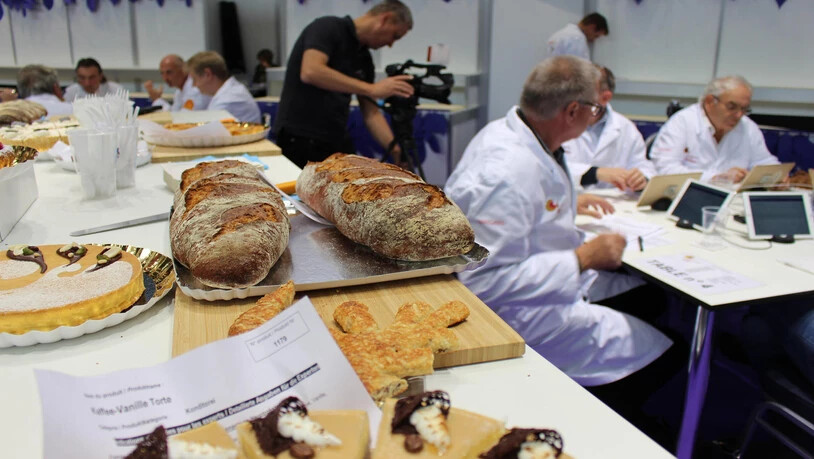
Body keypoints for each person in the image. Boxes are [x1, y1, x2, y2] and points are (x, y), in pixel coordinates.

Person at [445, 55, 672, 388]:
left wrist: (566, 207)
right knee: (666, 352)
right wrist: (582, 259)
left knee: (649, 299)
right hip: (519, 318)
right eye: (595, 109)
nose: (596, 116)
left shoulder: (524, 135)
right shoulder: (506, 171)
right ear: (572, 111)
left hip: (547, 287)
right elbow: (479, 285)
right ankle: (605, 419)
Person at [273, 0, 415, 169]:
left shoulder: (364, 58)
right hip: (299, 137)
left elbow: (371, 113)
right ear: (386, 19)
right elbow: (311, 71)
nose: (391, 44)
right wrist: (372, 89)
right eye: (395, 36)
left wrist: (395, 148)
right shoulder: (328, 27)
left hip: (334, 138)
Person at [650, 75, 779, 182]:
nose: (739, 115)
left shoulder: (747, 126)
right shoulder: (683, 122)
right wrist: (715, 177)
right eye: (732, 107)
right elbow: (664, 168)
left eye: (744, 109)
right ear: (710, 101)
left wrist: (776, 175)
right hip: (685, 197)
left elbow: (763, 160)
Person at [562, 65, 656, 191]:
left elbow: (643, 166)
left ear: (605, 97)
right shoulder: (558, 122)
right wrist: (595, 173)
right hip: (569, 201)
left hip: (614, 204)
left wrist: (641, 178)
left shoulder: (625, 128)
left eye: (582, 92)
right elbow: (549, 168)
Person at [186, 51, 261, 123]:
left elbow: (208, 131)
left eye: (194, 79)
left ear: (207, 74)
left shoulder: (227, 100)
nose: (194, 85)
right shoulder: (228, 91)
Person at [143, 54, 211, 112]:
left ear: (183, 69)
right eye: (162, 73)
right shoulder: (179, 91)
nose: (165, 78)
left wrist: (156, 99)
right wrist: (157, 99)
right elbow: (174, 112)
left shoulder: (195, 88)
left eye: (169, 72)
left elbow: (183, 118)